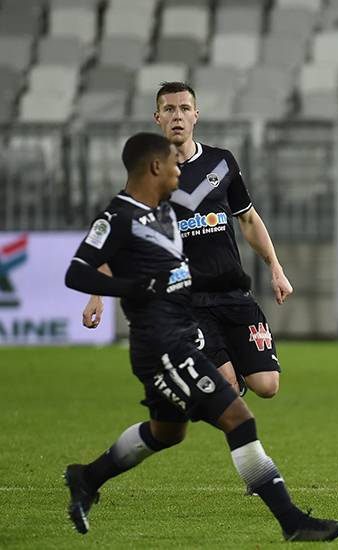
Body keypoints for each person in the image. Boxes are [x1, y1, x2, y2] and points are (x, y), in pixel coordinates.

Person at [64, 132, 338, 541]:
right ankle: (292, 522)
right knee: (237, 416)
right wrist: (132, 289)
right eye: (173, 164)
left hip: (181, 332)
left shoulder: (163, 211)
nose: (181, 169)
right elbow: (77, 271)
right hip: (162, 345)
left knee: (167, 432)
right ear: (154, 168)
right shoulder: (116, 218)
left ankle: (87, 477)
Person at [82, 81, 291, 398]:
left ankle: (231, 366)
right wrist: (96, 294)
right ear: (157, 118)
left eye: (183, 109)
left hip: (234, 293)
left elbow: (248, 219)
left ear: (196, 115)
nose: (177, 116)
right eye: (169, 109)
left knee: (267, 386)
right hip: (190, 302)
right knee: (228, 389)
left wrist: (276, 267)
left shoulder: (222, 163)